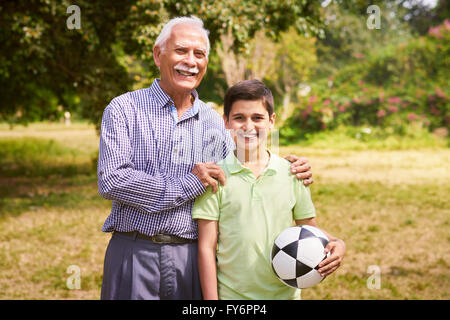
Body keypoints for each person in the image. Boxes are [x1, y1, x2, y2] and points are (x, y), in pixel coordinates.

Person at [97, 16, 313, 300]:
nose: (191, 61)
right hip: (134, 252)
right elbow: (112, 180)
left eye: (199, 54)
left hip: (192, 258)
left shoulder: (215, 122)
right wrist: (189, 184)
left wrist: (290, 167)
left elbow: (242, 167)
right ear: (157, 54)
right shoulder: (124, 108)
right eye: (181, 50)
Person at [192, 80, 346, 300]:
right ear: (225, 121)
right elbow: (207, 248)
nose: (248, 126)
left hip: (285, 295)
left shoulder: (292, 174)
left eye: (257, 118)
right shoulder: (215, 178)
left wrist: (339, 244)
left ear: (271, 120)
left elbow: (311, 230)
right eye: (239, 118)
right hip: (232, 297)